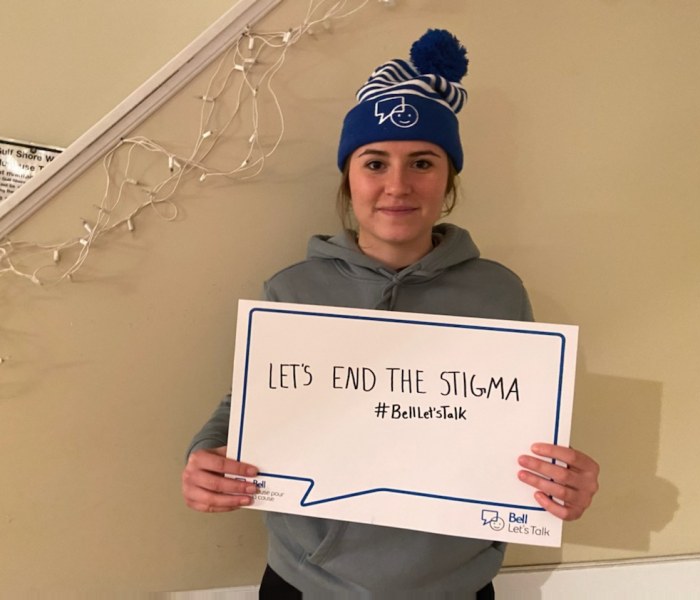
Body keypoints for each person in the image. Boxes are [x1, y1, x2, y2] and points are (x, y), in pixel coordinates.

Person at [182, 29, 599, 598]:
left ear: (448, 180)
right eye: (374, 163)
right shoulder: (292, 289)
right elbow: (247, 405)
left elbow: (517, 428)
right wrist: (202, 459)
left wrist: (564, 481)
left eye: (422, 163)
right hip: (308, 581)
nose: (397, 186)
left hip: (454, 584)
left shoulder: (498, 293)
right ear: (348, 180)